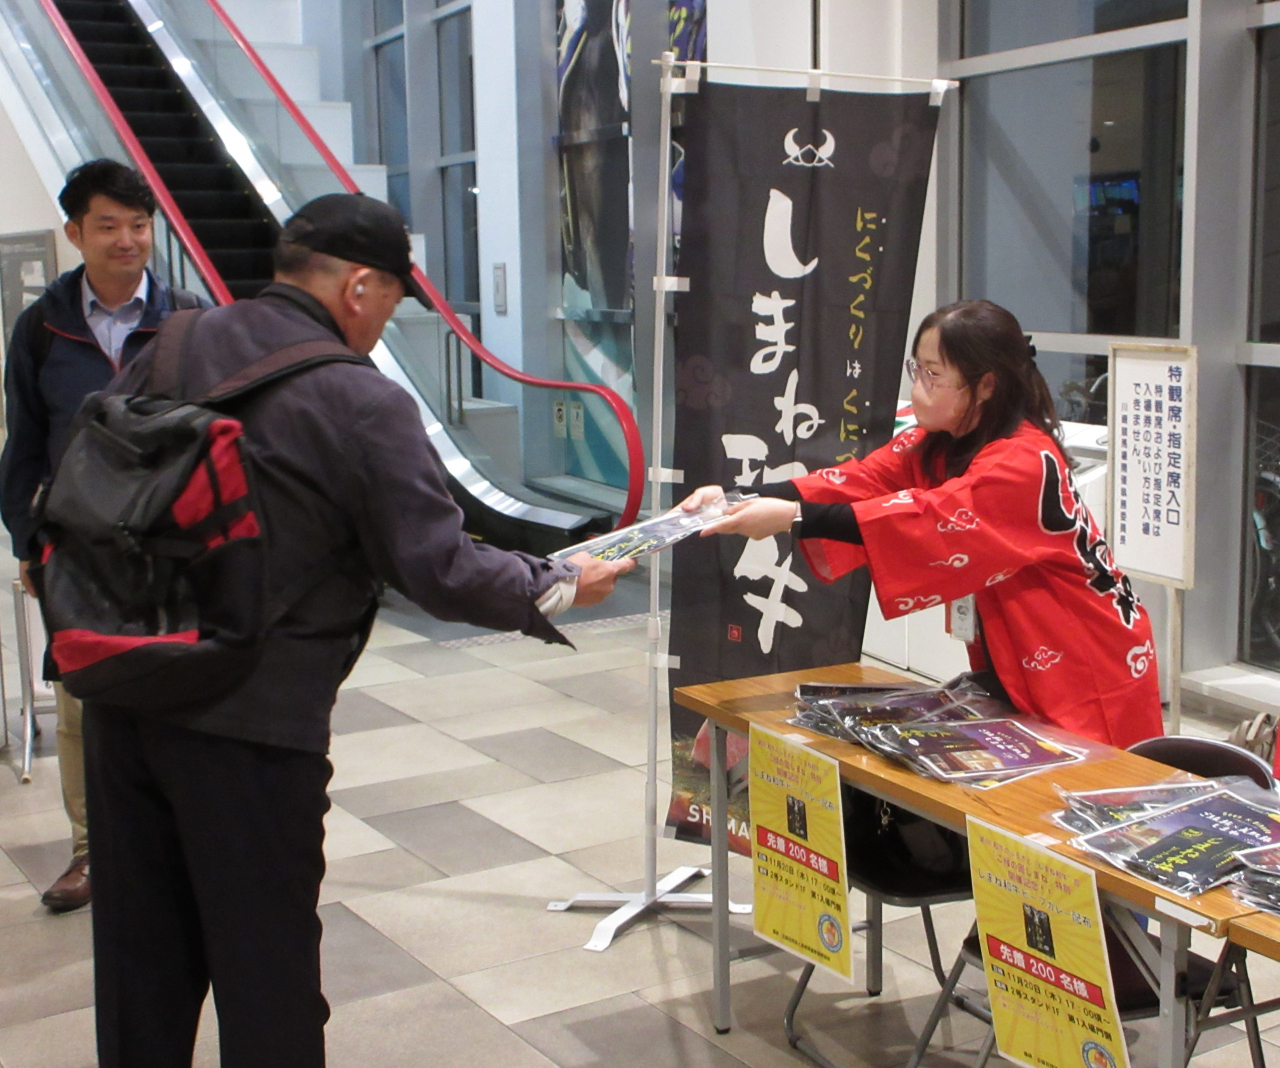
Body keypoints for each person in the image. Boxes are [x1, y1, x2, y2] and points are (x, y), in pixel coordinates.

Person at [79, 192, 633, 1068]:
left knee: (141, 967)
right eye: (392, 302)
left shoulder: (175, 342)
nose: (382, 326)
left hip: (127, 691)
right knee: (266, 975)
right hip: (251, 726)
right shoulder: (360, 399)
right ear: (360, 288)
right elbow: (436, 565)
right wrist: (557, 584)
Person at [682, 299, 1162, 749]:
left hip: (1085, 655)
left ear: (987, 385)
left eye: (934, 375)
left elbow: (926, 518)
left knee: (1094, 787)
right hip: (1021, 643)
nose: (918, 389)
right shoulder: (940, 441)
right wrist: (737, 498)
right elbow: (858, 481)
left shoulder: (1022, 459)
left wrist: (793, 516)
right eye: (918, 370)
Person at [0, 159, 207, 913]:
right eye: (109, 225)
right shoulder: (42, 327)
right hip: (79, 547)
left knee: (179, 691)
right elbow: (24, 444)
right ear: (75, 231)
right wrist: (29, 542)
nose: (128, 240)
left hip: (170, 547)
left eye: (139, 224)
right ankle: (93, 852)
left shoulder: (188, 319)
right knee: (83, 703)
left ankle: (180, 845)